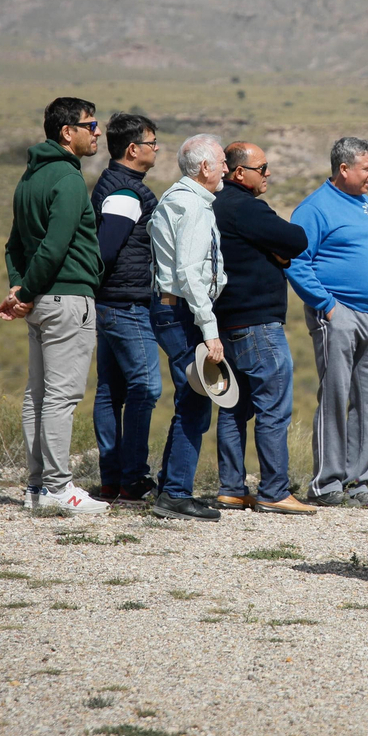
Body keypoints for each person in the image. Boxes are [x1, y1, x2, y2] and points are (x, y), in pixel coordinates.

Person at [0, 96, 109, 514]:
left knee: (38, 396)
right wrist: (23, 293)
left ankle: (37, 488)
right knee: (60, 398)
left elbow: (14, 247)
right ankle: (59, 489)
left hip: (42, 301)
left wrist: (19, 289)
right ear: (68, 132)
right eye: (91, 125)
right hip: (67, 301)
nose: (97, 132)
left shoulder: (28, 180)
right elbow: (55, 246)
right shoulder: (68, 179)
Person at [286, 136, 368, 509]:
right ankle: (326, 484)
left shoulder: (367, 205)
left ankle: (357, 482)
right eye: (367, 168)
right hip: (338, 314)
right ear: (344, 168)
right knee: (335, 396)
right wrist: (328, 306)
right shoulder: (315, 208)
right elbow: (296, 262)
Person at [211, 142, 316, 515]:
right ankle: (274, 490)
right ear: (240, 173)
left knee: (233, 408)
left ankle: (232, 488)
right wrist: (277, 250)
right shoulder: (245, 207)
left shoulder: (216, 205)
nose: (268, 174)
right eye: (263, 168)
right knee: (272, 407)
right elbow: (297, 240)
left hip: (225, 324)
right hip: (257, 324)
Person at [147, 133, 229, 521]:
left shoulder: (175, 199)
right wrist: (210, 329)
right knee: (195, 399)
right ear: (205, 168)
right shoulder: (193, 207)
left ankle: (171, 487)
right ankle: (176, 494)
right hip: (181, 313)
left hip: (171, 309)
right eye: (221, 162)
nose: (227, 168)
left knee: (189, 398)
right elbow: (189, 274)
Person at [89, 112, 163, 504]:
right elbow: (106, 249)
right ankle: (132, 480)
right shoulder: (124, 194)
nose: (156, 150)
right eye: (152, 143)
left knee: (110, 390)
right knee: (146, 387)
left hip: (111, 302)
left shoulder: (119, 185)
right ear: (133, 149)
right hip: (125, 304)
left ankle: (111, 481)